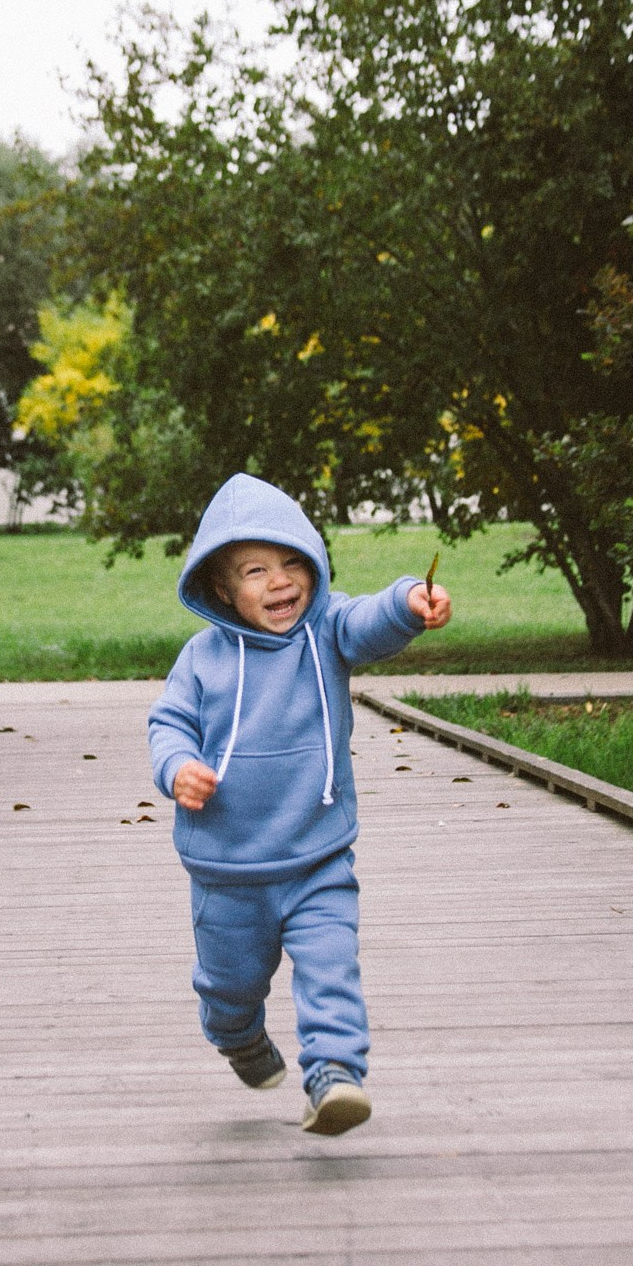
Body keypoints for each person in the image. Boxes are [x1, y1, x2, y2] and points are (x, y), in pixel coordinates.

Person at [146, 474, 452, 1135]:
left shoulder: (329, 631)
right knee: (230, 989)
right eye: (255, 571)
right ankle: (238, 1038)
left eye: (292, 563)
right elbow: (166, 724)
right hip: (228, 871)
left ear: (313, 565)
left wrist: (409, 601)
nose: (280, 582)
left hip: (318, 857)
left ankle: (335, 1074)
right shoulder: (202, 659)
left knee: (330, 966)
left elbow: (373, 620)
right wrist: (177, 770)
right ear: (221, 589)